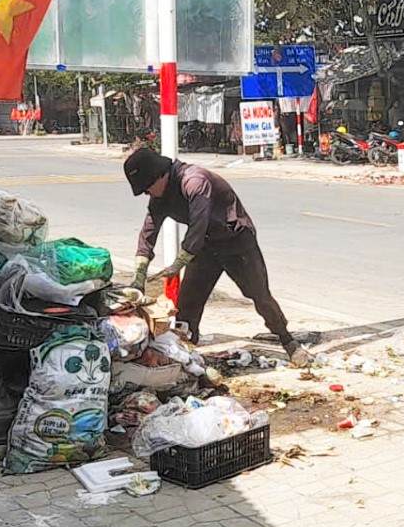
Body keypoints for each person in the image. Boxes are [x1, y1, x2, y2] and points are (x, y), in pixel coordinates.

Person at [123, 148, 312, 366]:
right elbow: (149, 231)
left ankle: (288, 342)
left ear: (159, 175)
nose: (147, 194)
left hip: (236, 241)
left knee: (259, 295)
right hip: (205, 246)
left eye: (147, 188)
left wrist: (178, 263)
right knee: (188, 302)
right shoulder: (160, 196)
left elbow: (198, 224)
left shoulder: (194, 181)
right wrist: (139, 275)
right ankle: (186, 355)